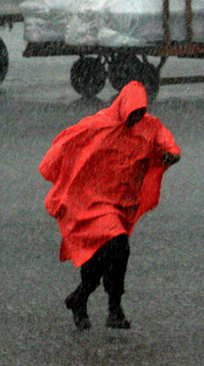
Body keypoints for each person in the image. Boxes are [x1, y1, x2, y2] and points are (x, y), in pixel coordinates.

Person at [39, 80, 181, 330]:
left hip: (122, 204)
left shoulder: (150, 126)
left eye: (140, 112)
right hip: (92, 202)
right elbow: (66, 143)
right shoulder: (99, 125)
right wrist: (57, 172)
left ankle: (82, 297)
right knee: (118, 246)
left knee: (101, 255)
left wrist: (171, 154)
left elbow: (167, 144)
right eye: (132, 112)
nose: (136, 117)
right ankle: (113, 307)